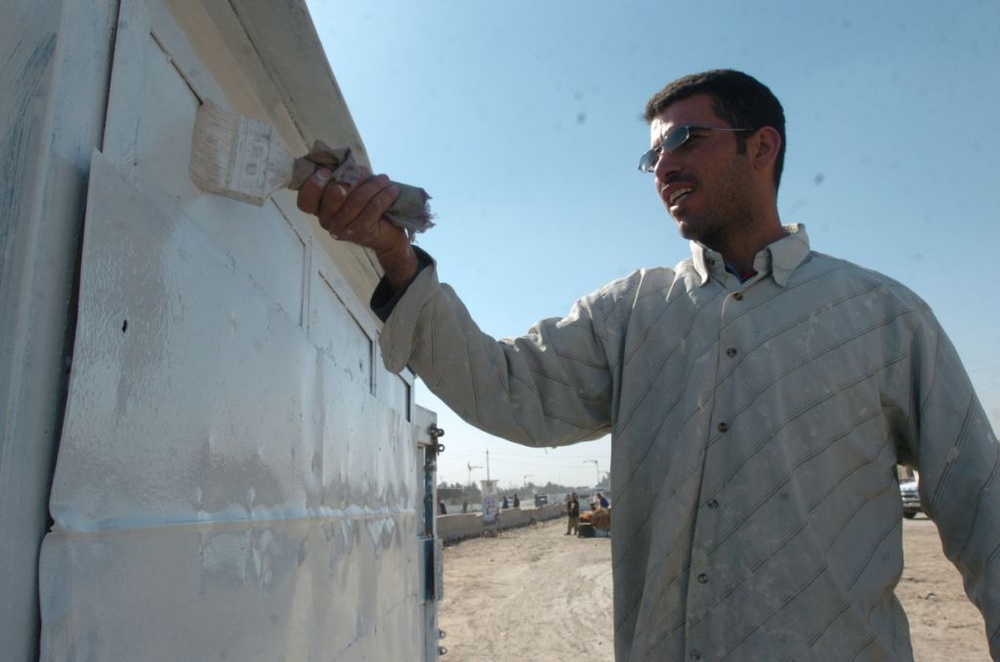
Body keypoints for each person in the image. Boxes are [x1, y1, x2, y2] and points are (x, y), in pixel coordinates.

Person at [298, 69, 1000, 660]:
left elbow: (982, 511)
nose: (663, 166)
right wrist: (395, 255)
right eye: (652, 155)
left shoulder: (884, 319)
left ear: (763, 147)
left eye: (685, 140)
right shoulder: (631, 312)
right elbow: (507, 388)